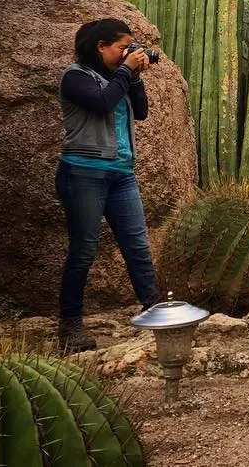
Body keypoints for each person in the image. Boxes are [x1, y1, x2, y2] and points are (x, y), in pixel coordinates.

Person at [56, 18, 161, 352]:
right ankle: (70, 325)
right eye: (122, 47)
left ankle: (154, 311)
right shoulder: (75, 77)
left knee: (137, 246)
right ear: (100, 47)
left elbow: (140, 112)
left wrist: (135, 76)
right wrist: (126, 71)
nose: (127, 53)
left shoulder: (119, 78)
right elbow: (101, 103)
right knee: (84, 250)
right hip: (83, 173)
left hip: (121, 173)